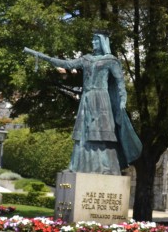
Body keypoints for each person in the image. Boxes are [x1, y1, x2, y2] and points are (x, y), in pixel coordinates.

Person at [24, 33, 142, 175]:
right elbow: (66, 64)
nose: (93, 43)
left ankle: (107, 167)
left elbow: (120, 83)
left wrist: (123, 100)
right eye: (92, 40)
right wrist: (44, 57)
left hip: (101, 99)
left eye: (96, 41)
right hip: (87, 98)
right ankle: (78, 165)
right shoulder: (86, 59)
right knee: (83, 134)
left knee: (102, 134)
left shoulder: (110, 61)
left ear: (103, 43)